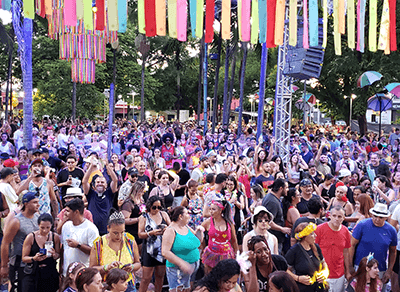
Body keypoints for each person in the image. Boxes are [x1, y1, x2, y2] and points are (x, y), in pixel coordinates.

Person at [349, 203, 397, 292]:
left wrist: (389, 270)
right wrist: (350, 266)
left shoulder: (391, 230)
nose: (377, 219)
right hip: (360, 267)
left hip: (380, 269)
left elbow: (393, 251)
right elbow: (351, 245)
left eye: (381, 217)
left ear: (386, 217)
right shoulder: (362, 225)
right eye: (375, 216)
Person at [90, 209, 141, 292]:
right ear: (108, 228)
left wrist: (131, 267)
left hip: (128, 285)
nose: (120, 236)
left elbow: (138, 263)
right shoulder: (99, 244)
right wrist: (106, 267)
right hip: (108, 286)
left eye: (122, 232)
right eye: (115, 233)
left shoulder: (130, 241)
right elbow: (92, 269)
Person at [0, 192, 39, 292]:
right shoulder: (16, 221)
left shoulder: (38, 218)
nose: (38, 205)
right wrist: (4, 266)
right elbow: (5, 243)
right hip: (18, 263)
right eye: (34, 202)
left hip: (33, 261)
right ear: (26, 204)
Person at [162, 206, 204, 292]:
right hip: (177, 270)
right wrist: (182, 264)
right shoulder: (170, 230)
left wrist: (200, 231)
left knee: (187, 289)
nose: (189, 215)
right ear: (180, 216)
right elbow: (165, 252)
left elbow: (197, 242)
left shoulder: (185, 227)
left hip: (191, 267)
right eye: (187, 213)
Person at [138, 196, 171, 292]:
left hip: (162, 249)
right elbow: (140, 234)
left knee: (160, 277)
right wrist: (150, 233)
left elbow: (172, 227)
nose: (156, 210)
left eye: (159, 207)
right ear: (149, 206)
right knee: (146, 278)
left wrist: (166, 229)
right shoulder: (143, 217)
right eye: (154, 207)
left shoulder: (164, 214)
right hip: (149, 250)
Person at [314, 206, 351, 292]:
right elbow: (313, 250)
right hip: (322, 274)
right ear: (329, 216)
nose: (336, 219)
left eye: (339, 216)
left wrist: (348, 272)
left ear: (343, 218)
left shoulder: (345, 232)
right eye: (334, 216)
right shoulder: (319, 229)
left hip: (339, 275)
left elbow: (346, 252)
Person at [21, 213, 60, 292]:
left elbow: (58, 255)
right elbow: (24, 258)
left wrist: (54, 254)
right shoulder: (31, 237)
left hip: (50, 272)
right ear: (38, 225)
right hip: (34, 272)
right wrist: (34, 258)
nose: (45, 230)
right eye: (42, 227)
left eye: (48, 227)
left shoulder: (55, 237)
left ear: (51, 226)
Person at [285, 222, 329, 292]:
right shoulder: (294, 250)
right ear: (305, 237)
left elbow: (323, 263)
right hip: (302, 289)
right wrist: (298, 278)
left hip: (319, 288)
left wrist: (325, 273)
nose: (315, 235)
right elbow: (285, 269)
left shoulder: (316, 247)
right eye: (311, 234)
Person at [61, 198, 99, 276]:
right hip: (67, 273)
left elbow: (95, 253)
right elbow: (63, 249)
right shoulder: (65, 226)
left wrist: (78, 245)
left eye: (68, 211)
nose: (65, 214)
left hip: (83, 274)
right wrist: (61, 270)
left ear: (76, 212)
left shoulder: (91, 229)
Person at [201, 199, 238, 274]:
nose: (211, 211)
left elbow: (234, 240)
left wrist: (237, 254)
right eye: (210, 209)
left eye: (213, 209)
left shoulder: (229, 223)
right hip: (211, 255)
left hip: (226, 255)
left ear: (220, 210)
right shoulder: (208, 222)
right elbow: (199, 235)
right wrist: (203, 248)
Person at [82, 157, 118, 235]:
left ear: (106, 184)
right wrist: (91, 166)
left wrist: (107, 166)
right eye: (98, 182)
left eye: (102, 182)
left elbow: (115, 180)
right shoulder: (91, 194)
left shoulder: (109, 193)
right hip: (92, 229)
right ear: (94, 185)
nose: (100, 184)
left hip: (106, 229)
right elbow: (84, 181)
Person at [262, 178, 291, 253]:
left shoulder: (272, 198)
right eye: (286, 188)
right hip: (273, 238)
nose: (288, 190)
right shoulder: (272, 202)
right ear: (281, 188)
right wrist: (282, 229)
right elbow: (268, 222)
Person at [121, 181, 146, 246]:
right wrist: (138, 219)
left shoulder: (141, 200)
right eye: (142, 191)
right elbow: (124, 220)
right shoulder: (129, 203)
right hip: (131, 232)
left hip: (139, 230)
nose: (143, 193)